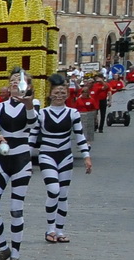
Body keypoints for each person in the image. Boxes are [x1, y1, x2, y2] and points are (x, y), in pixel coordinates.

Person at [0, 80, 39, 260]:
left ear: (28, 86)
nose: (16, 82)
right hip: (2, 159)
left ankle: (15, 256)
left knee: (16, 209)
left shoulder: (33, 104)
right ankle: (3, 247)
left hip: (21, 160)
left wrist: (29, 104)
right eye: (13, 79)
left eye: (21, 80)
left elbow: (33, 124)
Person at [31, 75, 92, 243]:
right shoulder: (42, 114)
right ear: (50, 94)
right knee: (54, 190)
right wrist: (26, 159)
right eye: (56, 92)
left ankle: (60, 230)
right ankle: (50, 228)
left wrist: (86, 156)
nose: (59, 95)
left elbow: (80, 136)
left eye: (62, 92)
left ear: (67, 94)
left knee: (63, 195)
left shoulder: (73, 113)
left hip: (65, 157)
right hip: (47, 156)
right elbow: (32, 137)